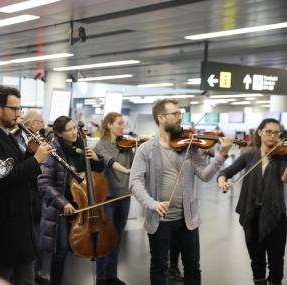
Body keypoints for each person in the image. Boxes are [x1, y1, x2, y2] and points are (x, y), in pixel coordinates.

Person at [129, 99, 234, 285]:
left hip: (188, 219)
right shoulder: (146, 150)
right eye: (175, 114)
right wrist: (152, 204)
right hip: (159, 220)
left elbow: (205, 175)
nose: (180, 117)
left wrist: (221, 155)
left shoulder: (189, 147)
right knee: (159, 267)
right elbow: (135, 183)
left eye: (180, 114)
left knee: (193, 266)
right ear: (161, 118)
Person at [0, 84, 51, 284]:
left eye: (20, 109)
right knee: (3, 278)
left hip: (17, 222)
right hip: (3, 225)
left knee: (25, 278)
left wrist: (30, 153)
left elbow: (13, 168)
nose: (19, 115)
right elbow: (3, 178)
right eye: (14, 109)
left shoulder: (4, 135)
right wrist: (36, 160)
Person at [217, 118, 287, 285]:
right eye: (269, 131)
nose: (273, 136)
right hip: (252, 214)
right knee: (256, 260)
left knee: (276, 261)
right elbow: (226, 171)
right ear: (260, 132)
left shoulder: (282, 156)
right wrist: (222, 181)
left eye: (276, 133)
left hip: (276, 215)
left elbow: (285, 178)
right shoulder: (249, 155)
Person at [37, 115, 104, 285]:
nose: (75, 132)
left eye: (75, 128)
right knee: (60, 250)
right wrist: (63, 202)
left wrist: (96, 160)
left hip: (79, 205)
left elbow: (93, 173)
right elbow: (44, 183)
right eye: (70, 129)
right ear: (59, 134)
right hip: (59, 207)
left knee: (69, 248)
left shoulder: (81, 147)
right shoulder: (52, 151)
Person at [94, 112, 133, 285]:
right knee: (106, 238)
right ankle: (101, 277)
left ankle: (112, 275)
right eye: (119, 123)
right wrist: (127, 171)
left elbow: (134, 162)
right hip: (108, 197)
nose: (123, 126)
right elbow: (110, 162)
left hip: (124, 196)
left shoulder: (127, 144)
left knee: (117, 237)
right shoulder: (101, 145)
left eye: (123, 123)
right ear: (109, 125)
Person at [11, 110, 48, 284]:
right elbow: (16, 169)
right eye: (40, 121)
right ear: (32, 123)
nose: (43, 124)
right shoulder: (14, 138)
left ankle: (36, 272)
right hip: (22, 197)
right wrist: (35, 158)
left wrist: (34, 154)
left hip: (34, 196)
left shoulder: (38, 138)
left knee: (36, 242)